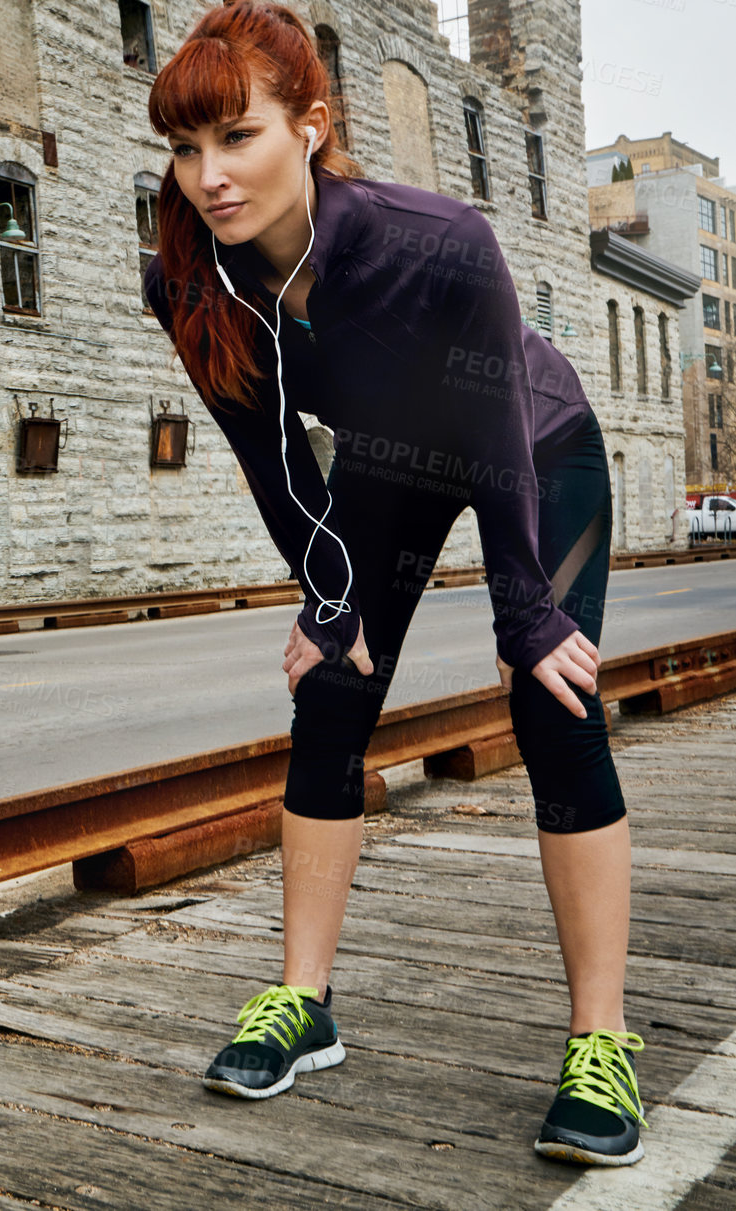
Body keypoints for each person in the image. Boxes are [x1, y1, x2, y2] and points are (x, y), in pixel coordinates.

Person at [141, 0, 647, 1167]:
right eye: (183, 147)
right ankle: (300, 1001)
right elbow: (273, 459)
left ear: (309, 129)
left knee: (551, 698)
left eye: (235, 137)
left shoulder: (436, 242)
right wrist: (325, 603)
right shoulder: (188, 283)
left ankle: (600, 1038)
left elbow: (490, 431)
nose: (206, 176)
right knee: (328, 694)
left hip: (532, 444)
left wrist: (525, 610)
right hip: (387, 467)